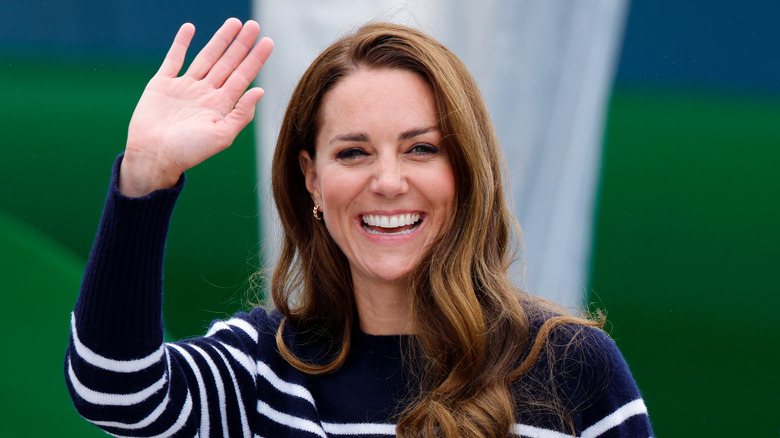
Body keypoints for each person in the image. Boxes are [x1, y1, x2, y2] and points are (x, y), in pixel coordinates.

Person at [65, 18, 653, 438]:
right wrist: (145, 175)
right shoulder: (262, 369)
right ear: (312, 181)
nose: (389, 181)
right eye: (353, 153)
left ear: (464, 172)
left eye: (421, 149)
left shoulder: (571, 365)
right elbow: (114, 393)